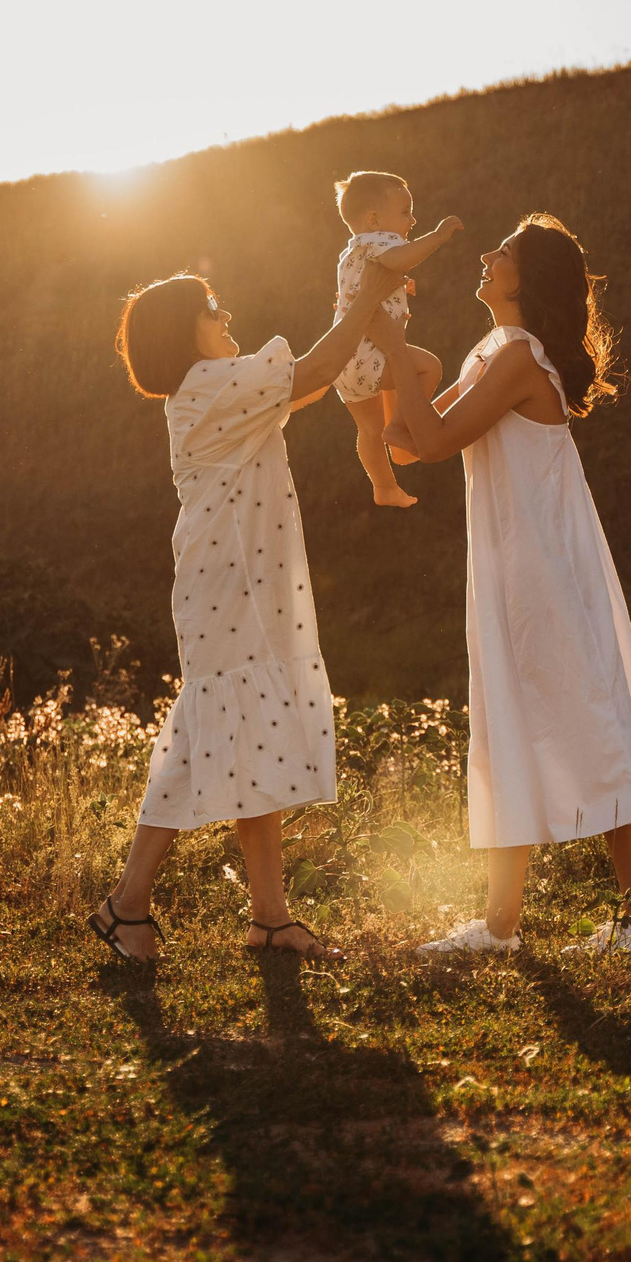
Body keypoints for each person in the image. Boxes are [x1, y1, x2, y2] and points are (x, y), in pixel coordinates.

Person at [369, 214, 631, 955]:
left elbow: (438, 440)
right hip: (513, 565)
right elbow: (412, 442)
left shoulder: (519, 354)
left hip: (546, 567)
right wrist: (397, 370)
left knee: (589, 723)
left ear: (528, 279)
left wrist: (393, 353)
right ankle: (501, 924)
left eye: (502, 252)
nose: (485, 256)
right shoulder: (492, 350)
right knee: (509, 717)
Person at [94, 255, 408, 962]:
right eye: (213, 308)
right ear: (185, 334)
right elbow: (318, 369)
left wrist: (358, 311)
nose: (227, 316)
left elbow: (311, 380)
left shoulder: (220, 387)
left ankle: (267, 917)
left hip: (242, 584)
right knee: (208, 730)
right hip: (226, 586)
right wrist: (367, 294)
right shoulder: (206, 387)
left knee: (248, 727)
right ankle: (128, 902)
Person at [325, 170, 461, 507]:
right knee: (428, 368)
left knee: (368, 430)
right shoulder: (382, 240)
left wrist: (400, 285)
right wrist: (437, 237)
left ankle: (383, 486)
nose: (412, 220)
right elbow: (401, 258)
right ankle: (400, 429)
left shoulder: (352, 252)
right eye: (405, 212)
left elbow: (369, 283)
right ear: (374, 219)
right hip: (370, 353)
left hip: (345, 360)